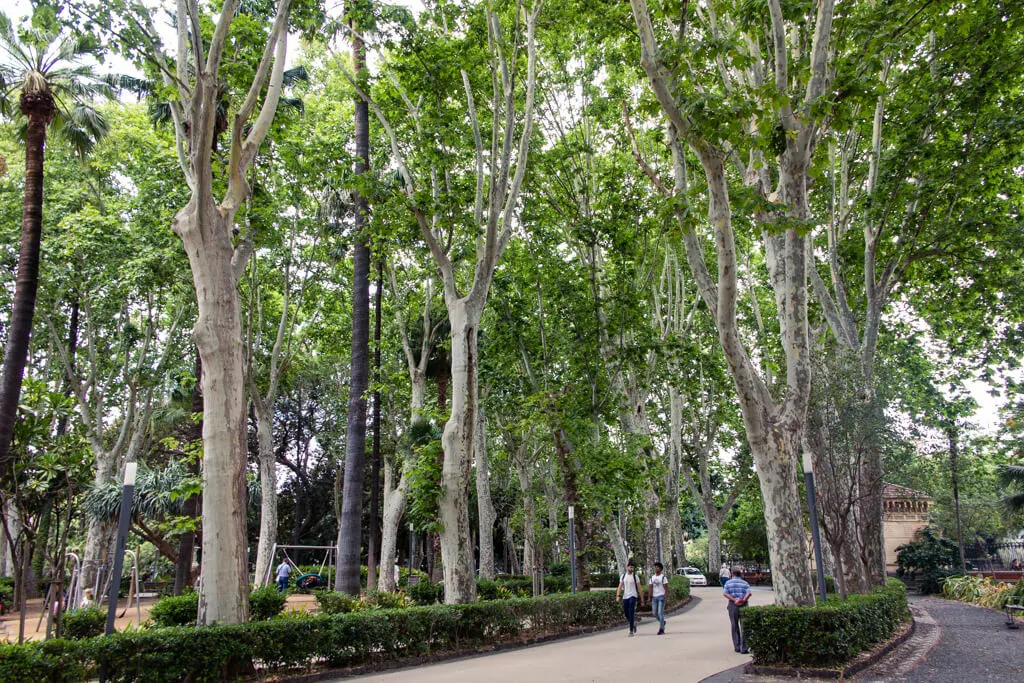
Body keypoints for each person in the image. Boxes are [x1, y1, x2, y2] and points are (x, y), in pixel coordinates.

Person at [722, 566, 752, 654]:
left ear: (732, 574)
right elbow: (749, 593)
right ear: (740, 574)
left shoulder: (728, 583)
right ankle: (744, 648)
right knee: (744, 626)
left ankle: (737, 646)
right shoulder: (745, 583)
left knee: (734, 625)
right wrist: (743, 600)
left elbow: (725, 593)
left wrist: (734, 600)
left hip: (732, 605)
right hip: (743, 605)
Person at [615, 560, 645, 636]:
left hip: (633, 595)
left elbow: (640, 589)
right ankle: (633, 623)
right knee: (626, 613)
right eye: (630, 567)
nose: (631, 568)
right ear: (627, 567)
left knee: (631, 612)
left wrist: (642, 600)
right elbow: (619, 587)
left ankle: (631, 630)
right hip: (625, 596)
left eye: (633, 567)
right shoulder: (623, 576)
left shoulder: (635, 577)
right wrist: (618, 596)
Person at [647, 562, 670, 635]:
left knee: (660, 612)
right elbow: (650, 588)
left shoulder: (663, 577)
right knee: (654, 613)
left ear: (660, 569)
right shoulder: (652, 577)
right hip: (654, 597)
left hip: (661, 597)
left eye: (658, 567)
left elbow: (666, 589)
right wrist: (649, 597)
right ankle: (662, 622)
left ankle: (661, 629)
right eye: (655, 567)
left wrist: (666, 599)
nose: (656, 568)